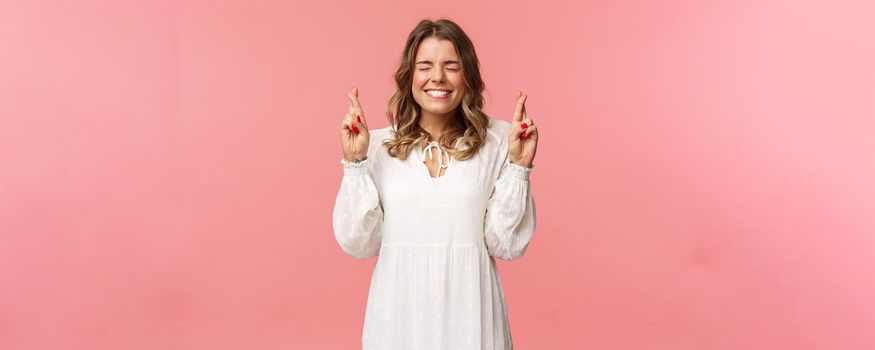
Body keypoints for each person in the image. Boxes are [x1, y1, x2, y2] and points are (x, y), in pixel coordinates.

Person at [332, 18, 539, 350]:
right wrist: (355, 163)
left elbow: (507, 245)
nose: (437, 77)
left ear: (467, 75)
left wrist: (519, 166)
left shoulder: (499, 141)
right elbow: (359, 243)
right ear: (409, 76)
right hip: (398, 320)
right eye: (425, 66)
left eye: (451, 66)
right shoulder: (378, 146)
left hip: (472, 318)